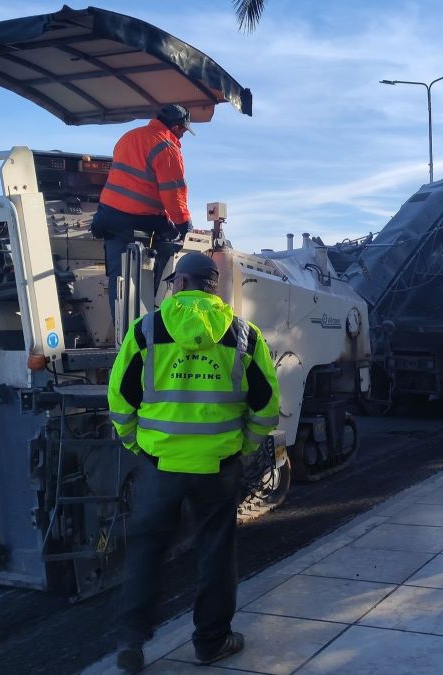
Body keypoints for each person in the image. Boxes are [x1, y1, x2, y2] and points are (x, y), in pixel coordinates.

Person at [107, 252, 280, 673]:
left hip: (160, 464)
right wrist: (243, 448)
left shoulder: (145, 330)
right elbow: (266, 407)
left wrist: (137, 445)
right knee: (216, 553)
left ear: (180, 282)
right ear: (213, 286)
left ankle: (132, 641)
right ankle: (211, 642)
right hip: (217, 467)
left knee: (147, 550)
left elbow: (120, 398)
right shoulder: (243, 335)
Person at [93, 103, 196, 316]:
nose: (183, 136)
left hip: (108, 217)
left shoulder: (129, 136)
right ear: (176, 127)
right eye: (184, 131)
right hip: (138, 220)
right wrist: (184, 224)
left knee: (118, 278)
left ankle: (123, 335)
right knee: (168, 248)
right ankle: (156, 318)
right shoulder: (167, 147)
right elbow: (173, 193)